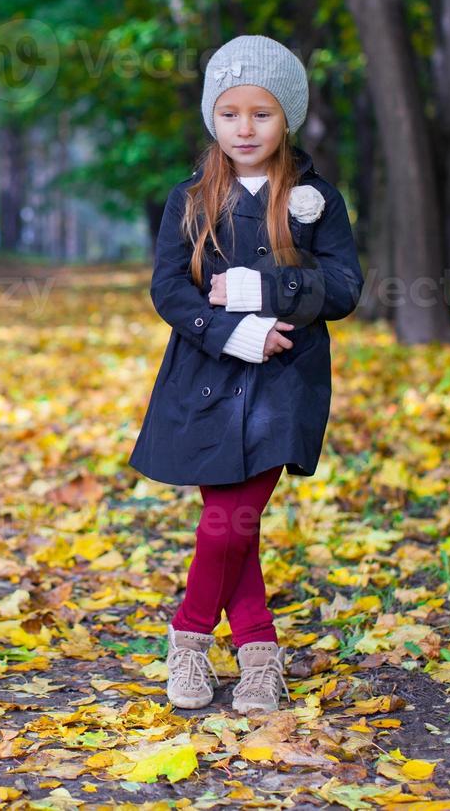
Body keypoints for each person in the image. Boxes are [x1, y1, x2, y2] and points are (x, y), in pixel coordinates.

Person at [128, 35, 364, 714]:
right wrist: (231, 330)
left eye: (261, 112)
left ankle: (190, 635)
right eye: (230, 113)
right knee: (230, 522)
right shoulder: (190, 199)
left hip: (282, 389)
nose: (246, 127)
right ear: (214, 118)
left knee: (232, 520)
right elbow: (170, 291)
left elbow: (344, 289)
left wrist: (260, 291)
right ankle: (258, 654)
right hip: (204, 383)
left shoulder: (318, 199)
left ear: (286, 116)